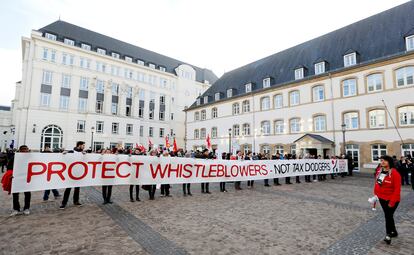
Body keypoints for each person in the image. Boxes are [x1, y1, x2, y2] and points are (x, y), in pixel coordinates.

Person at [373, 155, 401, 245]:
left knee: (388, 216)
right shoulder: (380, 171)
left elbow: (397, 189)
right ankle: (394, 231)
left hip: (392, 199)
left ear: (389, 162)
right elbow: (377, 184)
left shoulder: (395, 173)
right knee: (388, 215)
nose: (383, 162)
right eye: (381, 160)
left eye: (385, 160)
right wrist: (375, 195)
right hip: (381, 198)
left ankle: (388, 235)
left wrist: (392, 202)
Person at [60, 141, 85, 209]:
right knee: (68, 189)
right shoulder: (72, 152)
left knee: (77, 189)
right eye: (83, 145)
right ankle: (64, 203)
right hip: (71, 173)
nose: (84, 147)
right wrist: (63, 153)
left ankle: (76, 201)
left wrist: (85, 154)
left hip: (78, 174)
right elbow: (64, 157)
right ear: (79, 145)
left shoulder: (83, 153)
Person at [9, 145, 32, 216]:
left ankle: (26, 208)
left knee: (27, 193)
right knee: (15, 194)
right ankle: (16, 208)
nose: (25, 151)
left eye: (26, 149)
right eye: (24, 149)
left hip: (27, 178)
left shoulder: (30, 158)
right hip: (16, 178)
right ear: (20, 150)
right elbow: (9, 167)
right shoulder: (15, 158)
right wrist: (10, 175)